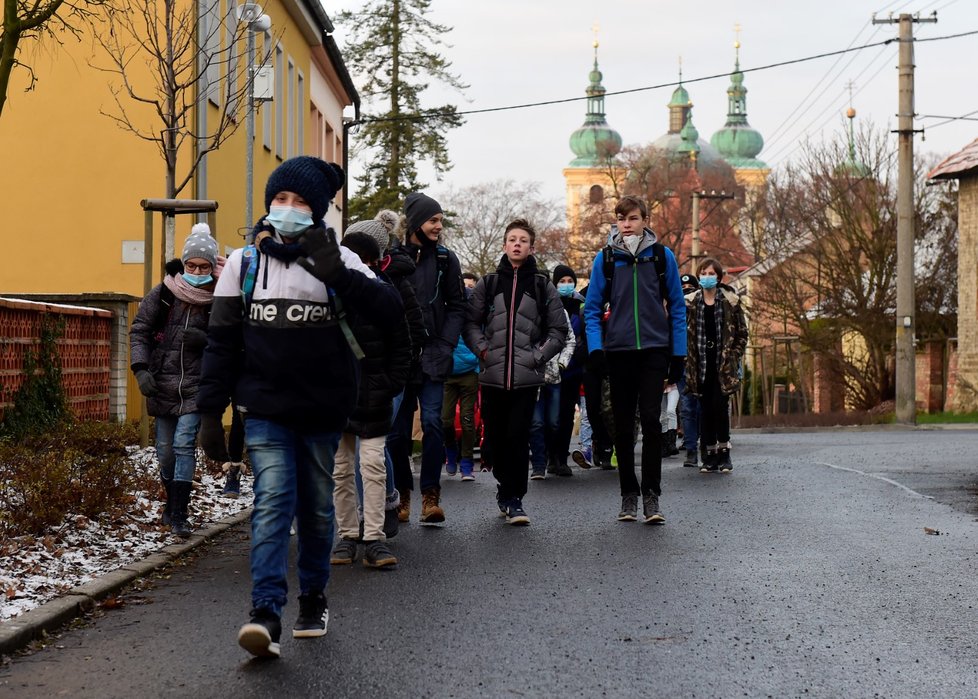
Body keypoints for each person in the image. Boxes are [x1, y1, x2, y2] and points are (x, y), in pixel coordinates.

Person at [196, 156, 403, 659]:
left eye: (301, 203)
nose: (287, 210)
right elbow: (221, 342)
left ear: (318, 212)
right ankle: (265, 612)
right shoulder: (243, 265)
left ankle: (313, 598)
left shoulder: (341, 262)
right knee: (271, 504)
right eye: (280, 199)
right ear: (269, 204)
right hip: (264, 408)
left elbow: (391, 312)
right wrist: (209, 411)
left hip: (324, 407)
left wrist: (339, 275)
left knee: (315, 508)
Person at [583, 195, 687, 525]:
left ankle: (652, 496)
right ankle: (629, 494)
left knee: (653, 424)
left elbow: (678, 306)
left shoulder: (661, 256)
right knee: (624, 427)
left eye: (632, 218)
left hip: (655, 349)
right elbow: (592, 308)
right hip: (620, 351)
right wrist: (596, 348)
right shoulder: (606, 259)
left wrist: (679, 353)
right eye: (621, 219)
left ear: (645, 220)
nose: (626, 224)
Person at [464, 218, 567, 525]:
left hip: (525, 379)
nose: (517, 244)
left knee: (518, 437)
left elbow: (558, 329)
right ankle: (503, 483)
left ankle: (514, 499)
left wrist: (538, 356)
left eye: (523, 239)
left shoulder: (541, 285)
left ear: (531, 247)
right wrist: (483, 350)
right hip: (493, 376)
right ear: (505, 245)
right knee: (494, 441)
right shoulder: (489, 283)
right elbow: (470, 323)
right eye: (512, 239)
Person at [130, 223, 221, 538]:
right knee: (165, 450)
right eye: (191, 265)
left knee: (184, 445)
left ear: (212, 266)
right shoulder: (165, 293)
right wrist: (140, 368)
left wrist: (205, 340)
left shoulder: (221, 298)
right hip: (162, 383)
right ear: (184, 264)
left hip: (197, 388)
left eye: (203, 265)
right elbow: (140, 328)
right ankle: (171, 503)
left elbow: (231, 341)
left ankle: (180, 513)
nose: (197, 270)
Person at [329, 232, 411, 569]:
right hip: (337, 396)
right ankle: (347, 536)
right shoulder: (330, 295)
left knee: (373, 465)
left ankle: (374, 537)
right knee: (341, 468)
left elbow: (402, 343)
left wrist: (389, 384)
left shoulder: (383, 294)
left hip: (374, 394)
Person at [387, 193, 466, 525]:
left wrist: (446, 344)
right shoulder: (392, 256)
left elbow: (457, 304)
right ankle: (403, 494)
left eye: (441, 220)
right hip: (400, 356)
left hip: (434, 353)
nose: (438, 226)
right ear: (416, 222)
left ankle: (430, 496)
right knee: (397, 431)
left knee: (434, 424)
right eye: (433, 220)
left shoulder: (447, 259)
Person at [684, 258, 748, 474]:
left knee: (720, 408)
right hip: (699, 364)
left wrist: (733, 355)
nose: (707, 277)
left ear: (719, 277)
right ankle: (709, 456)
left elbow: (742, 333)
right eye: (703, 273)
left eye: (711, 273)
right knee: (705, 409)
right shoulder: (691, 302)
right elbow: (682, 333)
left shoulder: (730, 301)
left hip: (723, 365)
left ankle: (724, 453)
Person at [551, 264, 589, 474]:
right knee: (552, 417)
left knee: (566, 416)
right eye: (562, 281)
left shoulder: (581, 305)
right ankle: (550, 456)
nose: (566, 285)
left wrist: (578, 357)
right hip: (552, 371)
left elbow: (584, 336)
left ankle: (562, 458)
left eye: (569, 281)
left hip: (574, 370)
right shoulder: (549, 304)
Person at [529, 303, 574, 479]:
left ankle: (553, 457)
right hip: (533, 377)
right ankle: (538, 464)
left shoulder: (560, 312)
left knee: (553, 422)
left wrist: (562, 362)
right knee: (536, 423)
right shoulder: (527, 309)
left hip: (554, 376)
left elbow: (570, 339)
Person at [443, 272, 480, 481]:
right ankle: (450, 451)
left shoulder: (475, 311)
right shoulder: (445, 309)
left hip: (469, 373)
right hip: (448, 372)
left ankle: (466, 462)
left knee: (467, 421)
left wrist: (477, 358)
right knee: (444, 420)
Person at [678, 273, 703, 468]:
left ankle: (704, 442)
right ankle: (691, 450)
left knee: (702, 406)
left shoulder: (703, 309)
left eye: (691, 290)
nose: (687, 294)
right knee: (687, 407)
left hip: (702, 364)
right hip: (683, 363)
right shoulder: (676, 310)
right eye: (684, 290)